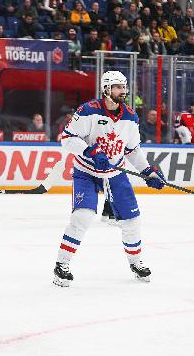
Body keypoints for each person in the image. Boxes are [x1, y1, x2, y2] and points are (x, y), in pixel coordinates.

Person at [53, 71, 167, 287]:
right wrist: (90, 151)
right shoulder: (88, 111)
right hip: (86, 172)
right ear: (106, 89)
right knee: (83, 217)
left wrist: (148, 172)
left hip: (115, 173)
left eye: (124, 87)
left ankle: (136, 262)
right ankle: (62, 264)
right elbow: (67, 139)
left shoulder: (130, 116)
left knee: (132, 221)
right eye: (117, 87)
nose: (122, 91)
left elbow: (132, 150)